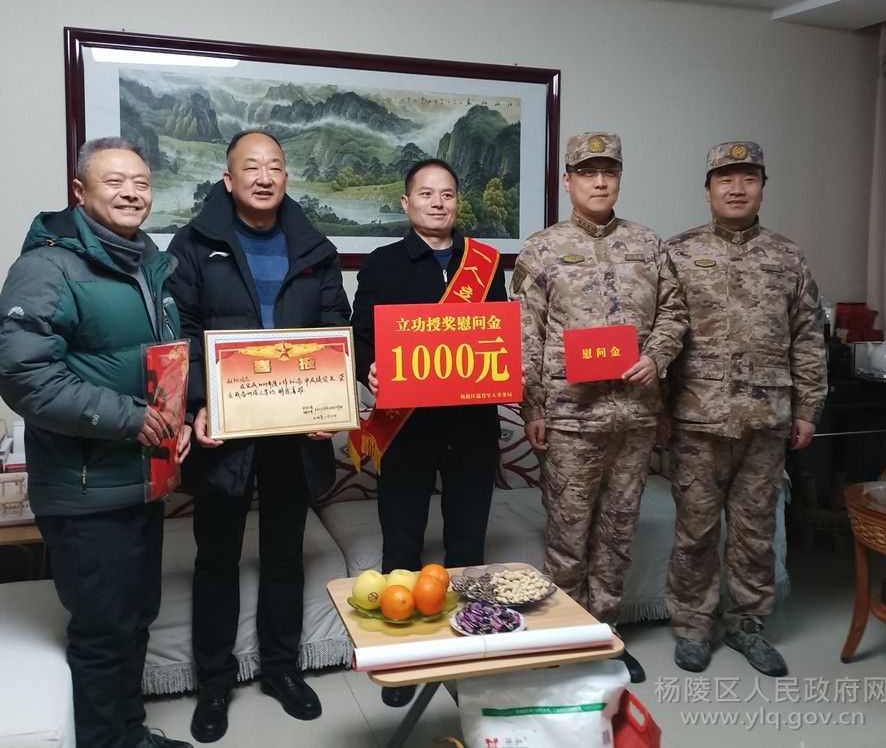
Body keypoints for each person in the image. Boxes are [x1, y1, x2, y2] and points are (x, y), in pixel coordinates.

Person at [0, 137, 192, 748]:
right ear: (79, 192)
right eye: (114, 182)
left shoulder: (147, 264)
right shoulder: (47, 268)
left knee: (135, 620)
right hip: (85, 489)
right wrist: (131, 420)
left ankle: (130, 734)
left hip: (141, 481)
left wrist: (182, 419)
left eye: (141, 182)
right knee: (104, 633)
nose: (131, 193)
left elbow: (161, 366)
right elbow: (24, 376)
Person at [167, 130, 350, 743]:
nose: (264, 176)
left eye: (275, 166)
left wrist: (332, 399)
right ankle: (214, 682)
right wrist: (199, 405)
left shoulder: (315, 247)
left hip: (295, 430)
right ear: (229, 179)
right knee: (216, 559)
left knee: (284, 555)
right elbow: (180, 330)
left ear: (286, 177)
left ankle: (281, 670)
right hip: (226, 430)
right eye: (251, 167)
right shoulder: (195, 244)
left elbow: (335, 324)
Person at [511, 131, 688, 684]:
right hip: (570, 418)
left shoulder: (649, 244)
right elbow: (527, 335)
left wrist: (657, 356)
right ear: (568, 181)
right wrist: (532, 408)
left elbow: (675, 314)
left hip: (634, 416)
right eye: (587, 172)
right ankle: (564, 643)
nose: (599, 181)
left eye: (608, 171)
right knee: (567, 539)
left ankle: (606, 636)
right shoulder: (542, 248)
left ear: (619, 178)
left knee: (617, 535)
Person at [663, 141, 827, 677]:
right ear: (708, 189)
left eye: (749, 179)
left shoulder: (788, 256)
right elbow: (661, 336)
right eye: (725, 179)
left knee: (757, 532)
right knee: (695, 531)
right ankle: (692, 626)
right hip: (697, 417)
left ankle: (747, 626)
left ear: (762, 187)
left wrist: (808, 408)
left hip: (767, 418)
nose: (737, 189)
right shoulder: (678, 252)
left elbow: (808, 338)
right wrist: (660, 411)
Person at [351, 158, 507, 706]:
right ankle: (404, 662)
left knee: (467, 543)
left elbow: (497, 332)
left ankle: (467, 656)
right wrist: (369, 369)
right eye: (426, 194)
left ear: (457, 202)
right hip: (407, 429)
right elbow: (360, 337)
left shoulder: (485, 263)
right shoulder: (382, 263)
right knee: (402, 542)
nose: (438, 203)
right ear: (406, 202)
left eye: (447, 194)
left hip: (472, 426)